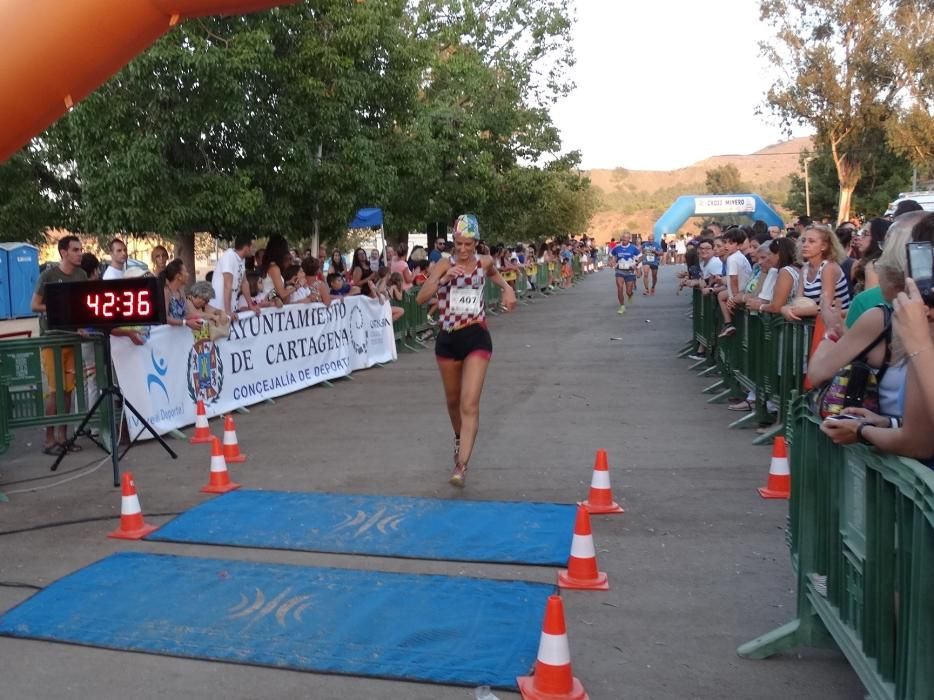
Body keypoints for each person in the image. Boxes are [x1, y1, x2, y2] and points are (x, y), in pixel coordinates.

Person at [416, 214, 516, 487]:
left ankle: (461, 465)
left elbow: (498, 277)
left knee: (469, 403)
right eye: (458, 244)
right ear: (453, 241)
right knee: (452, 401)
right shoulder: (441, 264)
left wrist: (508, 290)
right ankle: (459, 437)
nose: (462, 250)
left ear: (476, 243)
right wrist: (443, 278)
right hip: (447, 339)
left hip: (476, 336)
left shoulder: (484, 263)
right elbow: (421, 298)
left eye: (468, 244)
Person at [31, 235, 88, 455]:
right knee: (55, 392)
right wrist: (59, 307)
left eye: (80, 249)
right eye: (75, 250)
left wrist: (82, 323)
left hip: (73, 339)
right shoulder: (48, 275)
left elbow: (83, 304)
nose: (80, 253)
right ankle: (49, 440)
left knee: (68, 391)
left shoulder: (81, 275)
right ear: (63, 252)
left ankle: (64, 438)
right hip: (52, 340)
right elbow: (34, 305)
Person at [210, 233, 259, 321]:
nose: (253, 249)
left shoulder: (241, 259)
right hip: (218, 308)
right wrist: (228, 311)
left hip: (228, 308)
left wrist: (250, 305)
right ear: (246, 247)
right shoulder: (229, 257)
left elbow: (244, 283)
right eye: (252, 246)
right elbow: (227, 285)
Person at [163, 259, 203, 330]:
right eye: (186, 272)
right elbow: (165, 318)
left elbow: (186, 314)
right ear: (179, 276)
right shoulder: (166, 292)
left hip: (181, 333)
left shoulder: (181, 291)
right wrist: (186, 323)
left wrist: (210, 316)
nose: (188, 274)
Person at [609, 232, 640, 314]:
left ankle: (630, 295)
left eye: (627, 238)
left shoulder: (633, 248)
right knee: (620, 287)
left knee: (628, 291)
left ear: (629, 239)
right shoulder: (617, 248)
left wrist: (636, 264)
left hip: (629, 272)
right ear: (622, 238)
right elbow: (612, 256)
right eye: (624, 238)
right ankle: (622, 306)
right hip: (619, 271)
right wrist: (612, 262)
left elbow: (640, 257)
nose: (625, 239)